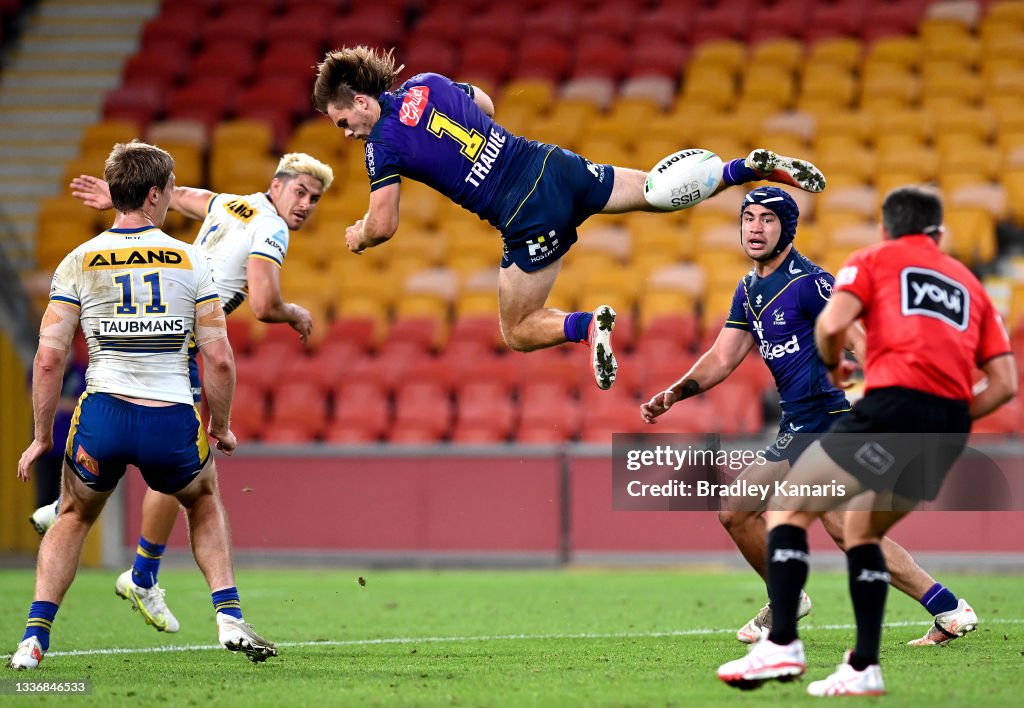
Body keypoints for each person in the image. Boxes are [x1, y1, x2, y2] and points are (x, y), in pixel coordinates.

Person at [311, 46, 827, 392]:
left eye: (342, 122)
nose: (346, 133)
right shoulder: (428, 82)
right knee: (656, 190)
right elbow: (485, 104)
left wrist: (359, 237)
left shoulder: (382, 146)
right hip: (552, 165)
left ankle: (586, 327)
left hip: (525, 213)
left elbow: (384, 225)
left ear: (360, 101)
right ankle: (744, 168)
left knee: (516, 329)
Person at [639, 186, 979, 647]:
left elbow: (857, 336)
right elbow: (723, 357)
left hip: (828, 422)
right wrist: (677, 392)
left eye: (768, 219)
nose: (755, 228)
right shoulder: (749, 288)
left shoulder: (810, 283)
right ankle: (946, 608)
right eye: (749, 218)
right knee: (801, 522)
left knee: (750, 511)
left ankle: (793, 600)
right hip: (799, 426)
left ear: (788, 228)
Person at [716, 186, 1016, 696]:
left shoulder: (869, 260)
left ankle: (784, 639)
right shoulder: (970, 285)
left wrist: (836, 366)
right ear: (940, 235)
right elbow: (1006, 383)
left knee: (794, 511)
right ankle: (921, 625)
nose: (755, 227)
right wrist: (949, 416)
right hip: (944, 424)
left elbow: (835, 324)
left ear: (884, 229)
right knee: (853, 529)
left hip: (877, 406)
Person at [28, 153, 334, 636]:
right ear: (277, 185)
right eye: (300, 192)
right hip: (179, 338)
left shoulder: (234, 204)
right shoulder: (272, 228)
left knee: (164, 461)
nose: (306, 205)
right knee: (186, 470)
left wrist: (123, 201)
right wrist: (293, 312)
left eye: (315, 199)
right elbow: (261, 301)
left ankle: (128, 563)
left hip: (148, 317)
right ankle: (142, 573)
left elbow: (185, 197)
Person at [27, 331, 86, 527]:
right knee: (44, 497)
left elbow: (83, 402)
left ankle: (63, 545)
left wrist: (59, 403)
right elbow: (36, 400)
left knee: (69, 500)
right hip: (45, 448)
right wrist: (65, 403)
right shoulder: (40, 370)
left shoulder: (82, 372)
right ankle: (43, 545)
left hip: (72, 448)